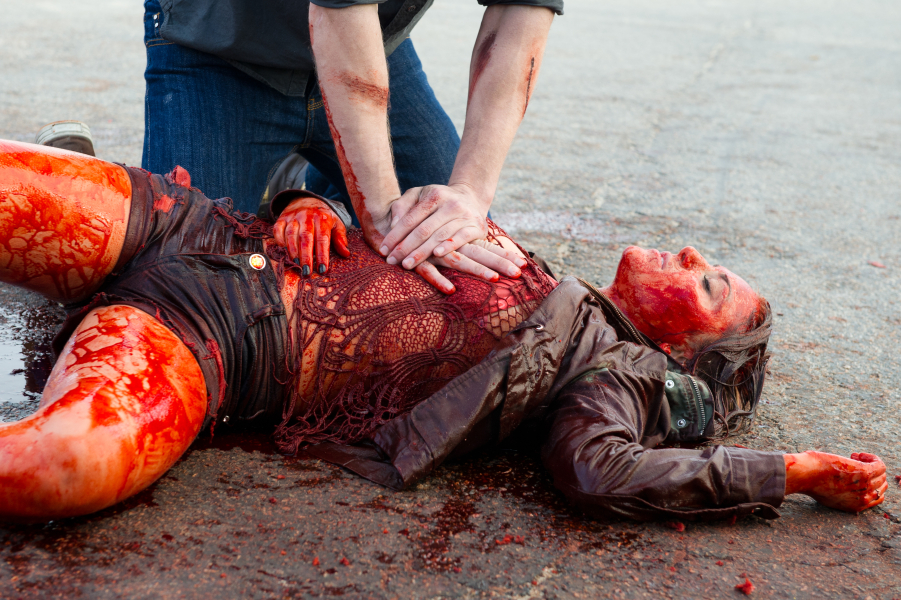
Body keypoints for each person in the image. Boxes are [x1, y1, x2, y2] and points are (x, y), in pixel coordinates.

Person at [0, 141, 887, 522]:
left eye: (707, 282)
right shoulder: (540, 271)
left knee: (55, 465)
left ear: (675, 354)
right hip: (194, 227)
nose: (690, 254)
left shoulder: (608, 372)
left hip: (211, 344)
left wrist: (790, 472)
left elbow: (601, 471)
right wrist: (309, 201)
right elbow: (380, 220)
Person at [143, 0, 560, 292]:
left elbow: (520, 12)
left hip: (371, 41)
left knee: (465, 254)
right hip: (218, 41)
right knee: (177, 283)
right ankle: (287, 185)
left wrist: (470, 194)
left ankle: (314, 189)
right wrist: (383, 218)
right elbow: (339, 9)